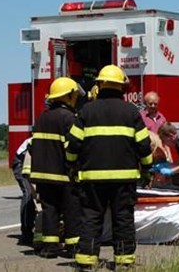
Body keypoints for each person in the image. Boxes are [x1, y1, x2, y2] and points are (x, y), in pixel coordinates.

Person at [66, 64, 153, 270]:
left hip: (92, 178)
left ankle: (87, 260)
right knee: (122, 218)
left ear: (100, 84)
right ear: (121, 86)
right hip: (124, 179)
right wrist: (147, 169)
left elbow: (74, 144)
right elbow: (143, 145)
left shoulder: (87, 110)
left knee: (91, 217)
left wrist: (71, 164)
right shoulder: (131, 111)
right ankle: (123, 261)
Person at [29, 77, 84, 258]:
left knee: (50, 211)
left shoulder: (42, 117)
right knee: (71, 211)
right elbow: (73, 148)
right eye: (74, 95)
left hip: (43, 175)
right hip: (63, 174)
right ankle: (73, 247)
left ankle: (50, 247)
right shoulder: (69, 118)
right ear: (68, 96)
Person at [12, 137, 36, 246]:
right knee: (29, 193)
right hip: (21, 164)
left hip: (34, 165)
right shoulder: (34, 140)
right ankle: (26, 232)